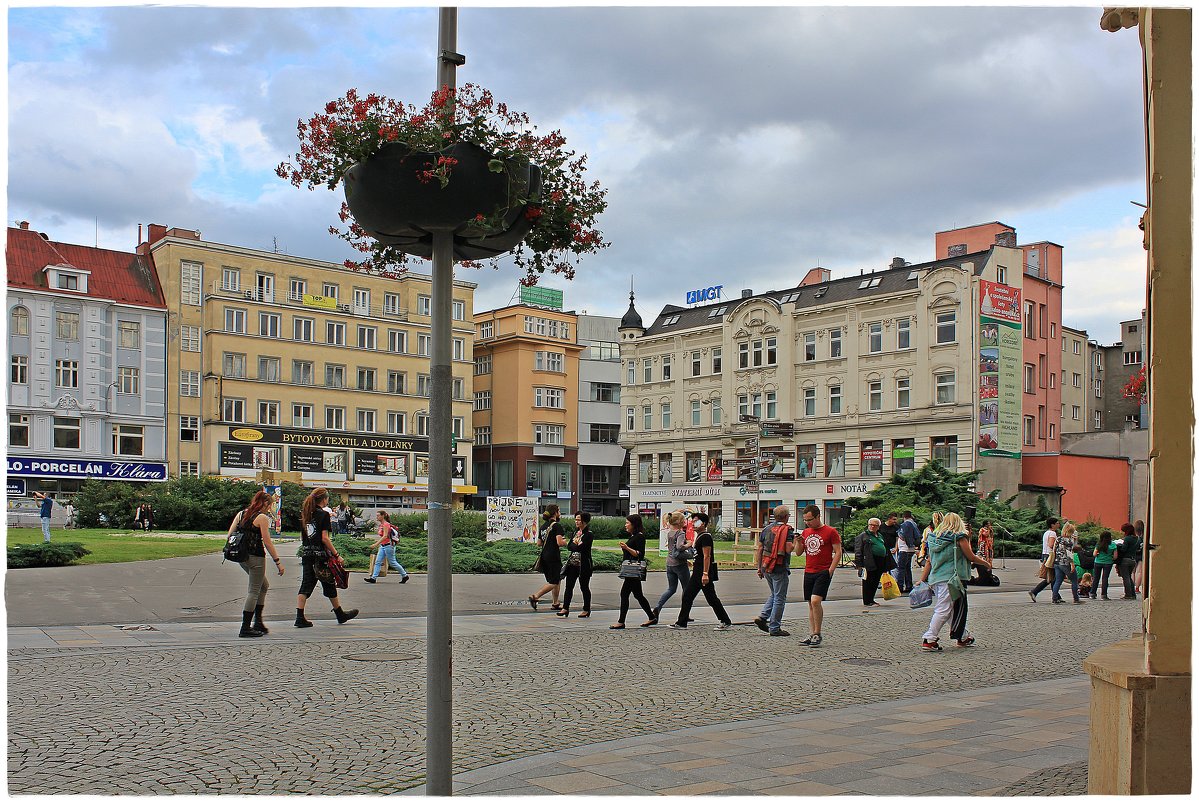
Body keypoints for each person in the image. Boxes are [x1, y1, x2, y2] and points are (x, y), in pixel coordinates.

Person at [917, 512, 992, 651]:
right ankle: (929, 639)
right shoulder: (959, 538)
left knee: (951, 609)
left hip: (936, 578)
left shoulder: (933, 538)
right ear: (959, 523)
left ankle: (963, 636)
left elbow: (928, 560)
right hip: (952, 579)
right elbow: (971, 557)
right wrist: (986, 564)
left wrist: (922, 579)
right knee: (944, 609)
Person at [295, 487, 358, 627]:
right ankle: (340, 614)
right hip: (321, 556)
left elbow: (305, 536)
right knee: (329, 583)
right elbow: (325, 538)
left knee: (306, 585)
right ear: (324, 499)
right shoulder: (323, 515)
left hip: (307, 554)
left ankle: (300, 616)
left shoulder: (305, 513)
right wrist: (337, 555)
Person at [226, 490, 285, 638]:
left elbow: (229, 535)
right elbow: (267, 542)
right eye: (270, 504)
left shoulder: (241, 514)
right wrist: (277, 561)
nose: (270, 507)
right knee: (254, 590)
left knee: (263, 586)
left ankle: (258, 622)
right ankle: (245, 627)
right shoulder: (262, 518)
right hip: (256, 557)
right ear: (265, 503)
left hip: (242, 557)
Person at [670, 512, 733, 630]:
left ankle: (725, 621)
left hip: (702, 572)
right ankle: (682, 622)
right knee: (690, 596)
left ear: (703, 523)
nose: (693, 524)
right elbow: (698, 555)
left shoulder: (705, 537)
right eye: (692, 521)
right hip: (697, 570)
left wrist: (705, 574)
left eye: (696, 522)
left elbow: (707, 556)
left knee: (709, 598)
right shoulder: (699, 536)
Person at [798, 504, 841, 647]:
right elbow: (798, 552)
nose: (807, 522)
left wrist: (830, 570)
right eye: (805, 520)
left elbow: (838, 552)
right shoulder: (806, 532)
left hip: (823, 571)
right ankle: (812, 634)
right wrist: (798, 542)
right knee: (810, 604)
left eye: (809, 519)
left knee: (816, 601)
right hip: (809, 570)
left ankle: (817, 633)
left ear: (818, 517)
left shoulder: (830, 531)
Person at [752, 506, 796, 637]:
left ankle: (762, 617)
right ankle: (775, 627)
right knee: (779, 597)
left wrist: (759, 567)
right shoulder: (787, 530)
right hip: (778, 566)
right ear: (786, 516)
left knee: (774, 594)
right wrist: (796, 541)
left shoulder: (766, 529)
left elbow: (759, 549)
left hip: (766, 565)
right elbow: (788, 549)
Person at [611, 514, 657, 629]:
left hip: (633, 570)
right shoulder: (633, 536)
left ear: (634, 524)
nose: (625, 525)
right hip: (630, 570)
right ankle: (651, 617)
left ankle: (621, 621)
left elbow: (640, 554)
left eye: (627, 523)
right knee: (638, 595)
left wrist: (626, 548)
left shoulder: (639, 536)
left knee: (624, 593)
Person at [652, 511, 692, 620]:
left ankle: (658, 607)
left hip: (669, 563)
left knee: (671, 589)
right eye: (684, 520)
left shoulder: (669, 532)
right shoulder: (680, 533)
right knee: (687, 589)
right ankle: (685, 613)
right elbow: (679, 547)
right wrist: (688, 544)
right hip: (679, 564)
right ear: (680, 522)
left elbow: (672, 548)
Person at [557, 511, 593, 618]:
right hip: (572, 563)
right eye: (576, 519)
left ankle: (586, 609)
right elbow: (570, 546)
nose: (576, 522)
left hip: (584, 565)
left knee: (584, 587)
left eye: (578, 519)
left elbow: (580, 548)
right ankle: (565, 608)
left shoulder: (588, 534)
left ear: (584, 521)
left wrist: (575, 545)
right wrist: (575, 545)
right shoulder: (575, 533)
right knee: (569, 586)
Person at [528, 506, 566, 611]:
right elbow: (560, 542)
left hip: (544, 556)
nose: (560, 513)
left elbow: (539, 543)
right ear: (555, 513)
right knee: (554, 581)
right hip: (553, 556)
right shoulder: (557, 526)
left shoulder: (543, 527)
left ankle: (555, 603)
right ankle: (535, 596)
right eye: (559, 511)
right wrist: (565, 542)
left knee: (557, 579)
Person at [853, 517, 895, 607]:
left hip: (880, 561)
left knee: (876, 580)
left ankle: (871, 599)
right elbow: (858, 550)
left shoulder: (879, 535)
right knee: (868, 581)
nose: (872, 526)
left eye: (874, 525)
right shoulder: (863, 536)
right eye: (870, 525)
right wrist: (859, 565)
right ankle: (867, 601)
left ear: (878, 527)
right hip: (869, 560)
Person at [363, 511, 409, 584]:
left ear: (383, 516)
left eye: (378, 515)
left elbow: (385, 536)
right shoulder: (381, 525)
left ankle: (405, 575)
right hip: (383, 546)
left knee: (393, 562)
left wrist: (375, 544)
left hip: (389, 546)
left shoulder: (386, 524)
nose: (377, 517)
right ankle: (373, 578)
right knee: (378, 562)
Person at [1028, 517, 1060, 602]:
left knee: (1051, 577)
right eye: (1057, 523)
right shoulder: (1052, 533)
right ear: (1052, 525)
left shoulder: (1046, 533)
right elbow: (1050, 544)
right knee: (1052, 577)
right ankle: (1035, 591)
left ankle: (1056, 596)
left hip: (1045, 554)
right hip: (1050, 555)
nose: (1058, 524)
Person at [1051, 522, 1084, 604]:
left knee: (1058, 580)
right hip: (1066, 563)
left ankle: (1054, 598)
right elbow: (1069, 554)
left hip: (1057, 562)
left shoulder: (1058, 538)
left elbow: (1054, 550)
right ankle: (1076, 599)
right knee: (1074, 580)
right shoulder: (1069, 541)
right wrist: (1072, 565)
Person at [895, 510, 920, 593]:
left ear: (904, 517)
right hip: (910, 549)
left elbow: (903, 535)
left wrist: (901, 536)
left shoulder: (906, 524)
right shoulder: (914, 523)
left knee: (901, 568)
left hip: (905, 549)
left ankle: (899, 586)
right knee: (907, 568)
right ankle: (909, 585)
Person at [1114, 522, 1140, 599]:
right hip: (1133, 560)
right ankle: (1133, 594)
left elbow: (1124, 549)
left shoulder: (1128, 539)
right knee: (1129, 577)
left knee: (1125, 578)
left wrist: (1119, 545)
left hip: (1125, 560)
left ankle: (1128, 595)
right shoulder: (1137, 539)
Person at [1090, 529, 1118, 600]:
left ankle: (1093, 593)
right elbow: (1115, 557)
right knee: (1105, 579)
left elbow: (1094, 554)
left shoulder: (1099, 544)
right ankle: (1104, 595)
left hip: (1098, 562)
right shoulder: (1113, 545)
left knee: (1096, 578)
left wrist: (1099, 554)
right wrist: (1110, 557)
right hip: (1108, 563)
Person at [1133, 519, 1146, 596]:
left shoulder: (1133, 537)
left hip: (1133, 555)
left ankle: (1131, 587)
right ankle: (1137, 588)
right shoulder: (1144, 537)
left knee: (1132, 572)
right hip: (1141, 555)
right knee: (1139, 572)